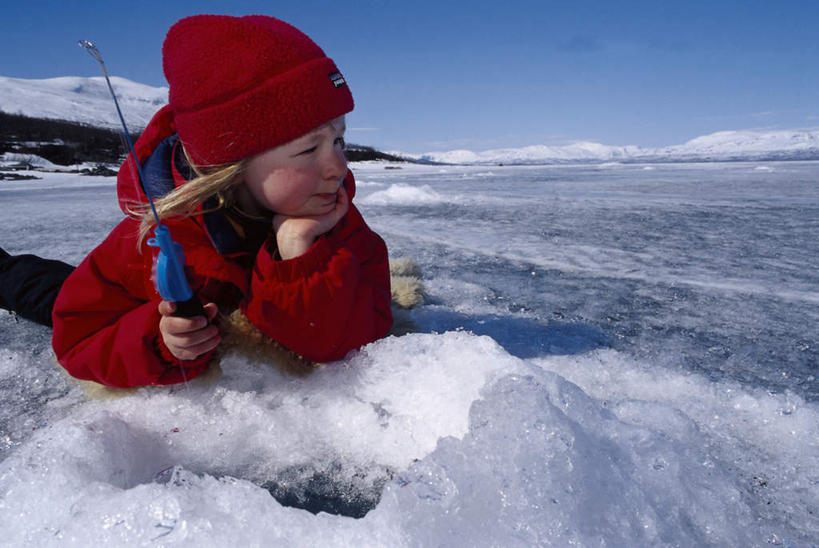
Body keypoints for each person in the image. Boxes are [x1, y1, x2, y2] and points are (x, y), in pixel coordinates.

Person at [0, 14, 393, 388]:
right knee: (42, 289)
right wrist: (160, 340)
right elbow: (79, 337)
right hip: (116, 299)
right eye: (309, 149)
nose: (338, 166)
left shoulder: (331, 215)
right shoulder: (156, 239)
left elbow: (348, 337)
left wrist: (298, 254)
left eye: (339, 141)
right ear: (234, 163)